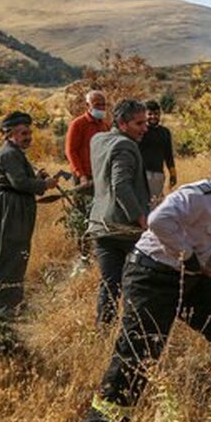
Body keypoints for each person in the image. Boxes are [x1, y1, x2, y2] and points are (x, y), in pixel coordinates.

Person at [83, 147, 211, 422]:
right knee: (141, 350)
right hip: (151, 277)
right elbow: (158, 221)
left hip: (189, 279)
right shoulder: (198, 195)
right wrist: (186, 254)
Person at [0, 111, 58, 314]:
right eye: (23, 133)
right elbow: (19, 183)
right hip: (9, 206)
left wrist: (35, 177)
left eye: (29, 132)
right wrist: (44, 183)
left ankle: (13, 302)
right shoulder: (8, 154)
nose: (28, 137)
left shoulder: (15, 153)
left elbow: (20, 180)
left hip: (15, 205)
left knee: (17, 254)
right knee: (9, 254)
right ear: (9, 134)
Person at [88, 99, 151, 327]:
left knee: (109, 284)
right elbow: (120, 184)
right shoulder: (126, 146)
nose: (145, 128)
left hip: (100, 225)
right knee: (137, 284)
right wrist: (141, 218)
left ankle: (103, 332)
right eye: (139, 123)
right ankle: (135, 333)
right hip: (124, 228)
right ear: (123, 124)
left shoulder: (98, 140)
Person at [64, 90, 110, 266]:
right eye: (97, 104)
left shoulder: (104, 126)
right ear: (87, 106)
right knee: (83, 216)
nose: (101, 108)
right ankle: (83, 255)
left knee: (99, 216)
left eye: (103, 105)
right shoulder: (78, 124)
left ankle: (99, 252)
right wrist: (81, 175)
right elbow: (71, 151)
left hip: (100, 179)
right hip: (83, 178)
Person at [140, 99, 176, 208]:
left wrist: (173, 174)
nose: (153, 117)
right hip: (141, 173)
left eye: (156, 114)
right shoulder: (140, 131)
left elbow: (168, 155)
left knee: (155, 204)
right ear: (144, 114)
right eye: (149, 114)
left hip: (158, 174)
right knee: (142, 202)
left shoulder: (164, 132)